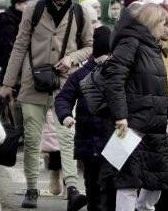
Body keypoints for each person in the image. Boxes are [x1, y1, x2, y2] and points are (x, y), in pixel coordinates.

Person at [0, 0, 95, 210]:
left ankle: (72, 187)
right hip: (33, 83)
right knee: (32, 139)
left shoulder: (79, 13)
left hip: (65, 84)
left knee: (67, 136)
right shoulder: (34, 9)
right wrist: (8, 84)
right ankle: (31, 188)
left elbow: (89, 47)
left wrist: (72, 58)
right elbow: (20, 46)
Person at [101, 3, 168, 211]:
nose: (167, 29)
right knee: (127, 182)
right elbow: (115, 80)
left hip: (153, 126)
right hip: (129, 126)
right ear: (151, 23)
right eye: (163, 23)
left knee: (157, 181)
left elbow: (156, 88)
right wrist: (120, 116)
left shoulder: (153, 47)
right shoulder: (131, 42)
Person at [55, 27, 114, 211]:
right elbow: (63, 97)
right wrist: (65, 115)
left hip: (111, 137)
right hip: (88, 138)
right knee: (92, 183)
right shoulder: (80, 75)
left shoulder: (117, 73)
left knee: (109, 184)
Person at [0, 0, 34, 78]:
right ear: (17, 6)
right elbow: (10, 44)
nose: (27, 6)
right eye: (25, 4)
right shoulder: (8, 20)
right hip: (10, 61)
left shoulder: (20, 17)